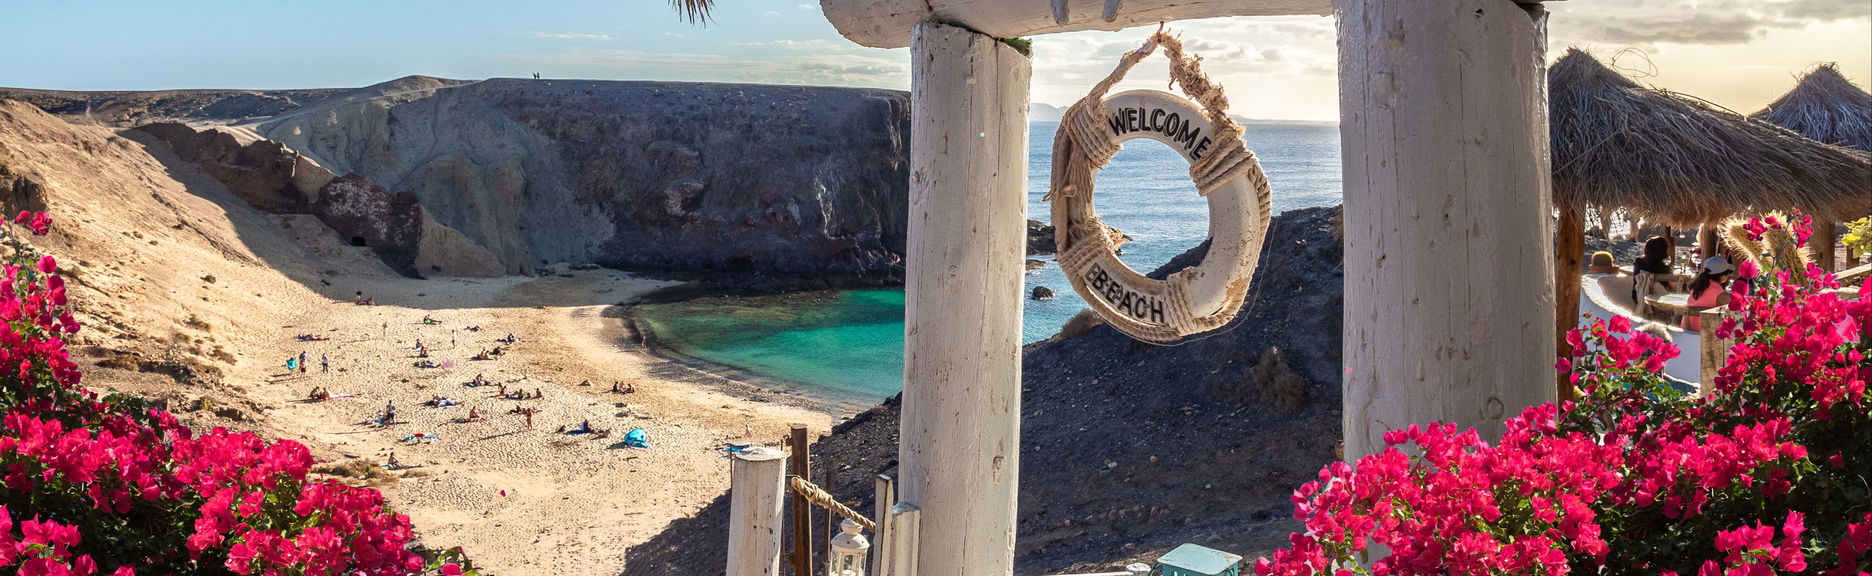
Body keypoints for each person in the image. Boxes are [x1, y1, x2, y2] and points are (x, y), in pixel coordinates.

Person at [1681, 256, 1736, 331]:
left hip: (1687, 332)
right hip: (1705, 336)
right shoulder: (1721, 294)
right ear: (1723, 276)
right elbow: (1734, 313)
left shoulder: (1696, 288)